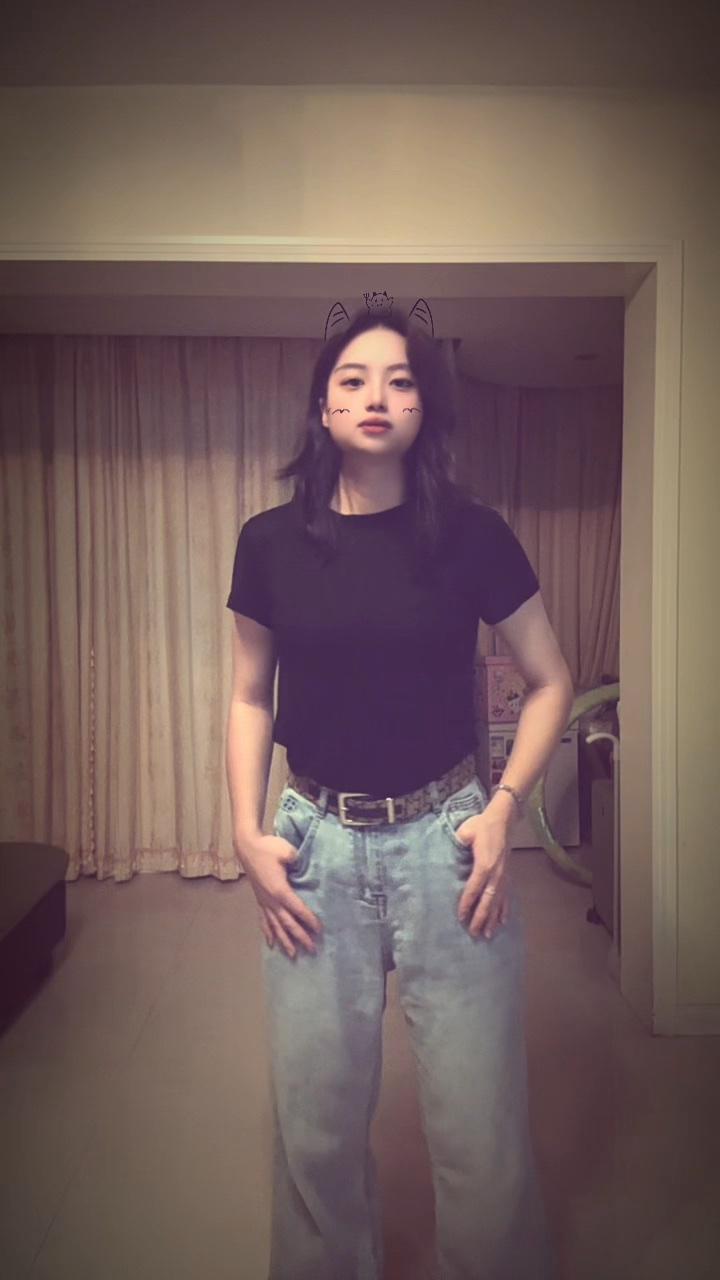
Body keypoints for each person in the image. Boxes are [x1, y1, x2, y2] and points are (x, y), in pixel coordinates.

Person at [225, 309, 573, 1280]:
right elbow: (251, 694)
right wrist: (245, 831)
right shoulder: (268, 543)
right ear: (321, 405)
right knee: (316, 1131)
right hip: (314, 850)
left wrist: (504, 807)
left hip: (448, 848)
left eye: (401, 379)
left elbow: (550, 678)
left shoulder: (474, 536)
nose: (376, 396)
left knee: (480, 1131)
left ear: (426, 407)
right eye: (353, 379)